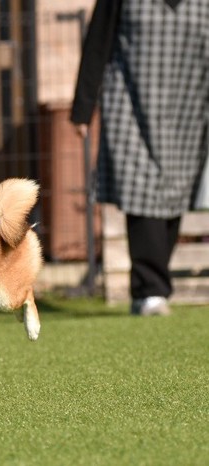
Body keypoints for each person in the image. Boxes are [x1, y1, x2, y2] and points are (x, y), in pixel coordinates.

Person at [70, 0, 209, 316]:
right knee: (142, 189)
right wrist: (83, 106)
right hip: (131, 102)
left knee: (177, 192)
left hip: (190, 102)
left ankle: (151, 286)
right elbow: (97, 41)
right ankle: (151, 290)